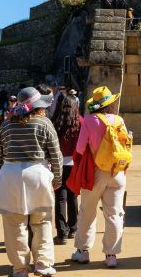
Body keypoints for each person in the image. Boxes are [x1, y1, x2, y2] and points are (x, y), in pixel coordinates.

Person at [0, 87, 62, 277]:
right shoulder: (44, 123)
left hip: (10, 174)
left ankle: (20, 268)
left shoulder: (6, 126)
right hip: (38, 174)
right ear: (39, 106)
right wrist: (58, 178)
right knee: (42, 221)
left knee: (15, 225)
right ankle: (43, 263)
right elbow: (56, 155)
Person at [71, 86, 131, 268]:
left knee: (87, 212)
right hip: (117, 172)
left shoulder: (89, 121)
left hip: (95, 173)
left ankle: (83, 251)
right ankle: (111, 255)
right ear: (110, 104)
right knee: (114, 214)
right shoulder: (119, 120)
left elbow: (80, 148)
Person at [52, 90, 83, 244]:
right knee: (73, 196)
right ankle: (73, 228)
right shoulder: (80, 121)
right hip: (75, 164)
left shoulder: (55, 122)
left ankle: (62, 232)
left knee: (60, 198)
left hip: (58, 164)